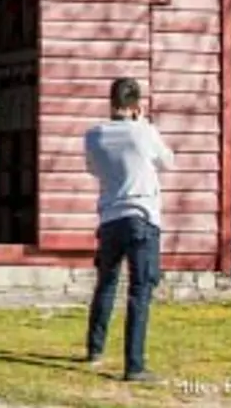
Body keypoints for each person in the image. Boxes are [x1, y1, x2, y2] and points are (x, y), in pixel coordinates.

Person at [83, 76, 174, 383]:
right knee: (140, 291)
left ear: (111, 103)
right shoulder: (144, 132)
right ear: (136, 106)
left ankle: (95, 348)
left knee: (106, 283)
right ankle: (134, 364)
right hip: (142, 217)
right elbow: (168, 162)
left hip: (109, 218)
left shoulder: (94, 135)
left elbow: (93, 169)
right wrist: (143, 124)